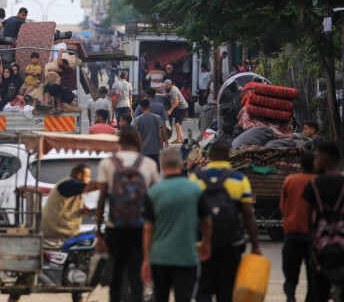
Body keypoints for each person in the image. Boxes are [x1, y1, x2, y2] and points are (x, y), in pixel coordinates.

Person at [189, 140, 261, 302]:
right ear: (228, 156)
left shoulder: (195, 179)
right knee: (226, 289)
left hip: (202, 242)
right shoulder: (239, 179)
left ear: (210, 156)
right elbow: (248, 214)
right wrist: (255, 245)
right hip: (231, 242)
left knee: (203, 288)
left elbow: (189, 212)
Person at [95, 127, 160, 302]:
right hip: (140, 229)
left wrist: (99, 232)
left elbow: (101, 200)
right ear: (139, 143)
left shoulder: (107, 164)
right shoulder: (149, 164)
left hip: (115, 228)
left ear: (120, 142)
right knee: (136, 274)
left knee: (116, 275)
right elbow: (155, 200)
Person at [141, 148, 212, 302]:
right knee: (184, 298)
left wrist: (146, 258)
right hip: (186, 256)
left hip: (160, 257)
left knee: (160, 297)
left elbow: (147, 228)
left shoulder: (154, 192)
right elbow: (206, 221)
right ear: (181, 164)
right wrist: (206, 242)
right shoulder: (195, 189)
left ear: (162, 164)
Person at [39, 163, 102, 302]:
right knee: (80, 255)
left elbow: (76, 209)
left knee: (80, 256)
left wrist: (89, 211)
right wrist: (109, 183)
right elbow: (92, 186)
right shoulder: (69, 184)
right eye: (88, 176)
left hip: (64, 231)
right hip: (58, 232)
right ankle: (78, 294)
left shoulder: (73, 189)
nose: (89, 179)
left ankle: (78, 294)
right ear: (79, 175)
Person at [302, 142, 344, 302]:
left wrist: (311, 243)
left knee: (319, 291)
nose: (315, 161)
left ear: (325, 160)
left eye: (317, 157)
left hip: (320, 249)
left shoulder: (313, 185)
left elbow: (308, 217)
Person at [280, 152, 316, 302]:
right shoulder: (318, 181)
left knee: (290, 273)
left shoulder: (290, 180)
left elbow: (283, 207)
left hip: (292, 232)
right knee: (313, 275)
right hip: (313, 236)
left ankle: (290, 298)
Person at [132, 99, 165, 166]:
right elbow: (160, 136)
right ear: (150, 106)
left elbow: (137, 137)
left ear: (140, 107)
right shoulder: (157, 118)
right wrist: (161, 148)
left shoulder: (136, 120)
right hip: (155, 150)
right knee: (155, 169)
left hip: (143, 151)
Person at [164, 79, 189, 144]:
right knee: (178, 124)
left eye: (166, 86)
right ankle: (181, 138)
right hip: (182, 107)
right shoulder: (173, 88)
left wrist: (170, 110)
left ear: (170, 85)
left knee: (177, 123)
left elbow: (176, 102)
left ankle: (178, 139)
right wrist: (166, 95)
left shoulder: (173, 91)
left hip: (182, 107)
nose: (165, 87)